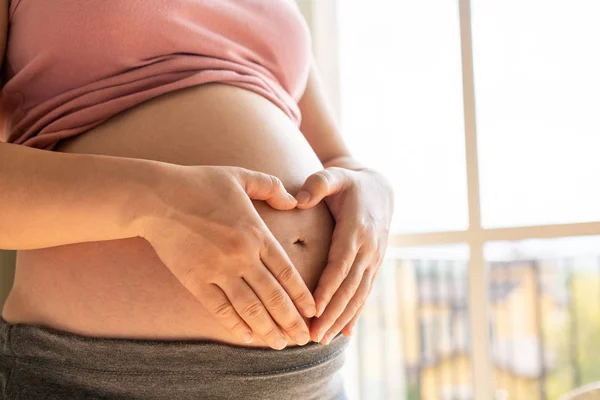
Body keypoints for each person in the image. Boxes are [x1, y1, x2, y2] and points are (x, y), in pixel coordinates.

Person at [0, 0, 394, 398]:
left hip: (311, 378)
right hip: (98, 377)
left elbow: (335, 157)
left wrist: (374, 189)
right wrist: (159, 204)